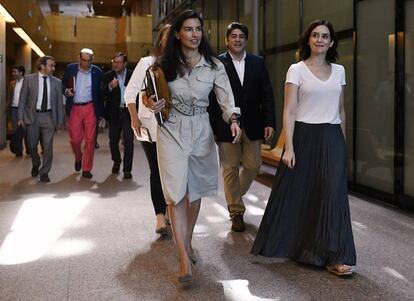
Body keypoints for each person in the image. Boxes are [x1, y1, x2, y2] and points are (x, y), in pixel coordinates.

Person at [251, 20, 357, 276]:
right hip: (304, 136)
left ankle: (336, 256)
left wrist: (342, 145)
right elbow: (289, 109)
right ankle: (304, 247)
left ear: (331, 42)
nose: (320, 39)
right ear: (308, 40)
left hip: (331, 136)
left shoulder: (339, 71)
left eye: (325, 36)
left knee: (334, 195)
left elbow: (341, 109)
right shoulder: (296, 70)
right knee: (303, 192)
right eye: (315, 35)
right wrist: (289, 147)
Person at [144, 10, 241, 283]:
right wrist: (153, 104)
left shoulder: (213, 65)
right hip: (171, 130)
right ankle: (184, 259)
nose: (195, 34)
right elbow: (147, 94)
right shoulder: (163, 64)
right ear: (178, 33)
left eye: (198, 28)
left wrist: (233, 119)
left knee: (195, 192)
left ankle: (186, 241)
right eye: (188, 29)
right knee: (176, 194)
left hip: (201, 130)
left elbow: (225, 98)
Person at [209, 22, 275, 232]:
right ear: (227, 40)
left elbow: (267, 95)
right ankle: (236, 211)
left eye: (241, 36)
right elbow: (211, 99)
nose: (237, 39)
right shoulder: (216, 63)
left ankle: (234, 195)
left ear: (246, 40)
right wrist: (212, 126)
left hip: (254, 123)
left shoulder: (257, 62)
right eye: (233, 36)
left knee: (253, 165)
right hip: (225, 124)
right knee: (229, 167)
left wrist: (270, 122)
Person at [124, 24, 171, 235]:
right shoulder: (146, 63)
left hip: (173, 128)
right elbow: (130, 93)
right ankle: (160, 216)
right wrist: (134, 118)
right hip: (149, 127)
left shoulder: (180, 65)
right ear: (160, 40)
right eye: (167, 37)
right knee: (156, 170)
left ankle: (171, 212)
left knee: (170, 172)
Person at [17, 56, 64, 182]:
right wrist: (20, 117)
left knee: (48, 146)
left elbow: (60, 103)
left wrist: (59, 121)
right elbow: (22, 99)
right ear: (42, 66)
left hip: (49, 117)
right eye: (51, 65)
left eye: (54, 65)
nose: (53, 68)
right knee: (31, 146)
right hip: (32, 117)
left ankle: (44, 172)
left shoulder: (57, 82)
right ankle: (36, 162)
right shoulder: (28, 79)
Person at [62, 48, 103, 179]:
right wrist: (66, 91)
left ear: (92, 60)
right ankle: (78, 158)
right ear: (79, 59)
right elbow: (63, 84)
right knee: (75, 140)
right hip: (75, 107)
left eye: (89, 60)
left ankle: (86, 168)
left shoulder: (97, 72)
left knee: (90, 140)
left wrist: (100, 112)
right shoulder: (71, 69)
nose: (86, 63)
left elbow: (100, 93)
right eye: (84, 60)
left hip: (90, 107)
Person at [101, 52, 135, 179]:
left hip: (128, 113)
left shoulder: (132, 76)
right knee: (113, 140)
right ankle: (116, 160)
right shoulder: (108, 76)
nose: (115, 64)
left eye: (118, 62)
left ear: (125, 63)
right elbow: (101, 92)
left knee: (128, 140)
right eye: (114, 62)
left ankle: (127, 169)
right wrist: (110, 86)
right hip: (114, 113)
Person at [7, 65, 30, 157]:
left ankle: (29, 150)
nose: (13, 74)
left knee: (26, 130)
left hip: (25, 110)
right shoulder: (12, 83)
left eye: (15, 72)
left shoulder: (27, 82)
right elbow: (9, 97)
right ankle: (18, 151)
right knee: (16, 130)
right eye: (13, 72)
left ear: (21, 73)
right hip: (14, 109)